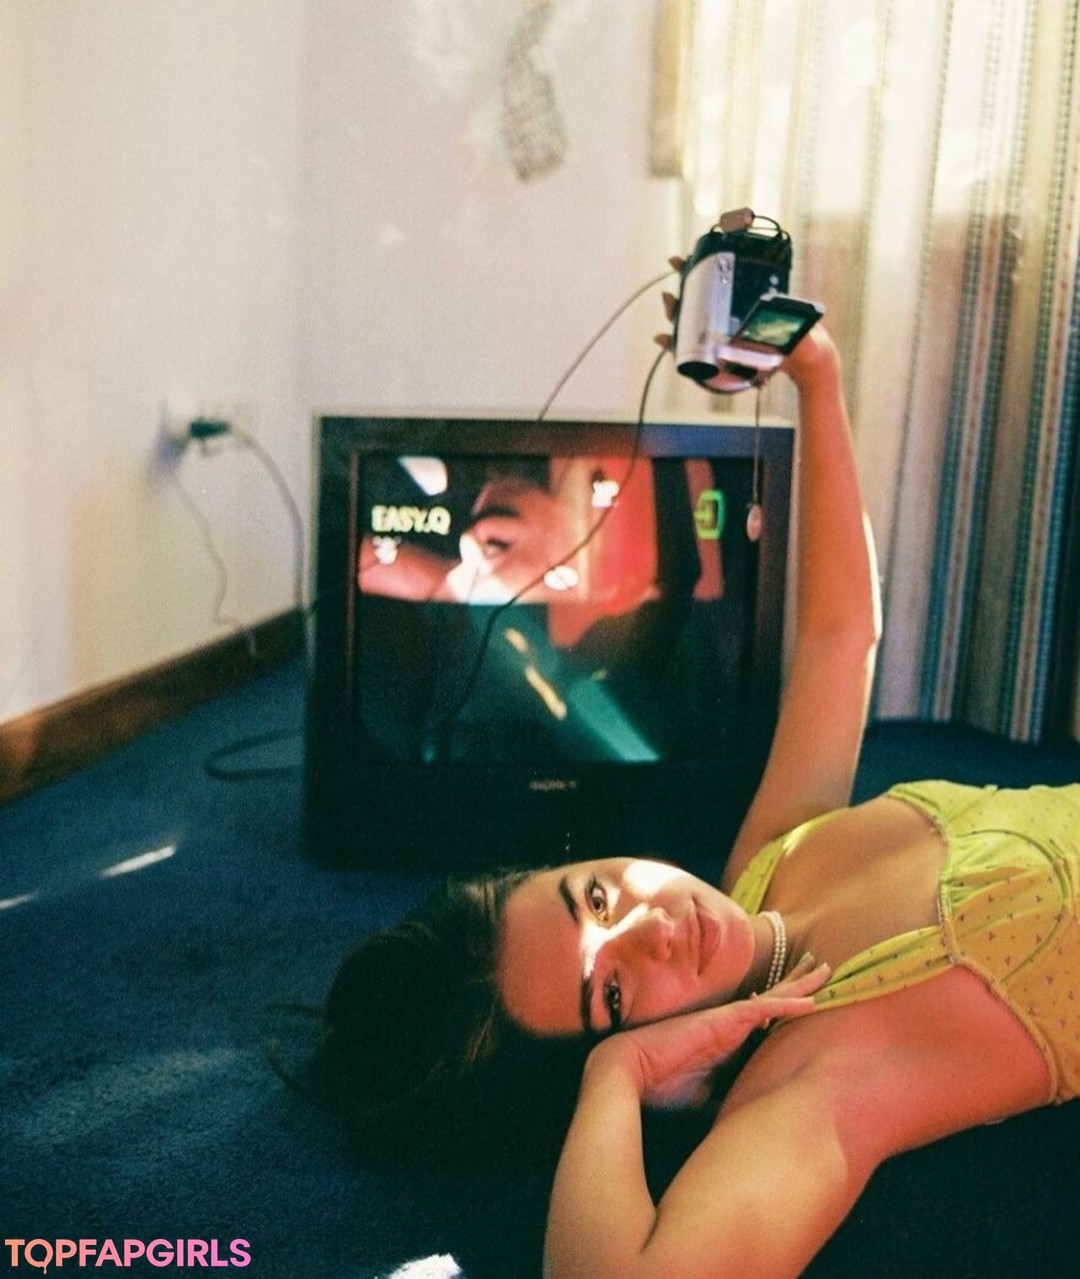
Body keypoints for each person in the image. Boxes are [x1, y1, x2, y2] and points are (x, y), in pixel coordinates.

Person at [313, 321, 1080, 1277]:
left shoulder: (769, 864)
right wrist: (614, 1077)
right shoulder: (810, 1077)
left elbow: (841, 637)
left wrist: (816, 376)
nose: (653, 930)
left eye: (595, 896)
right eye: (613, 995)